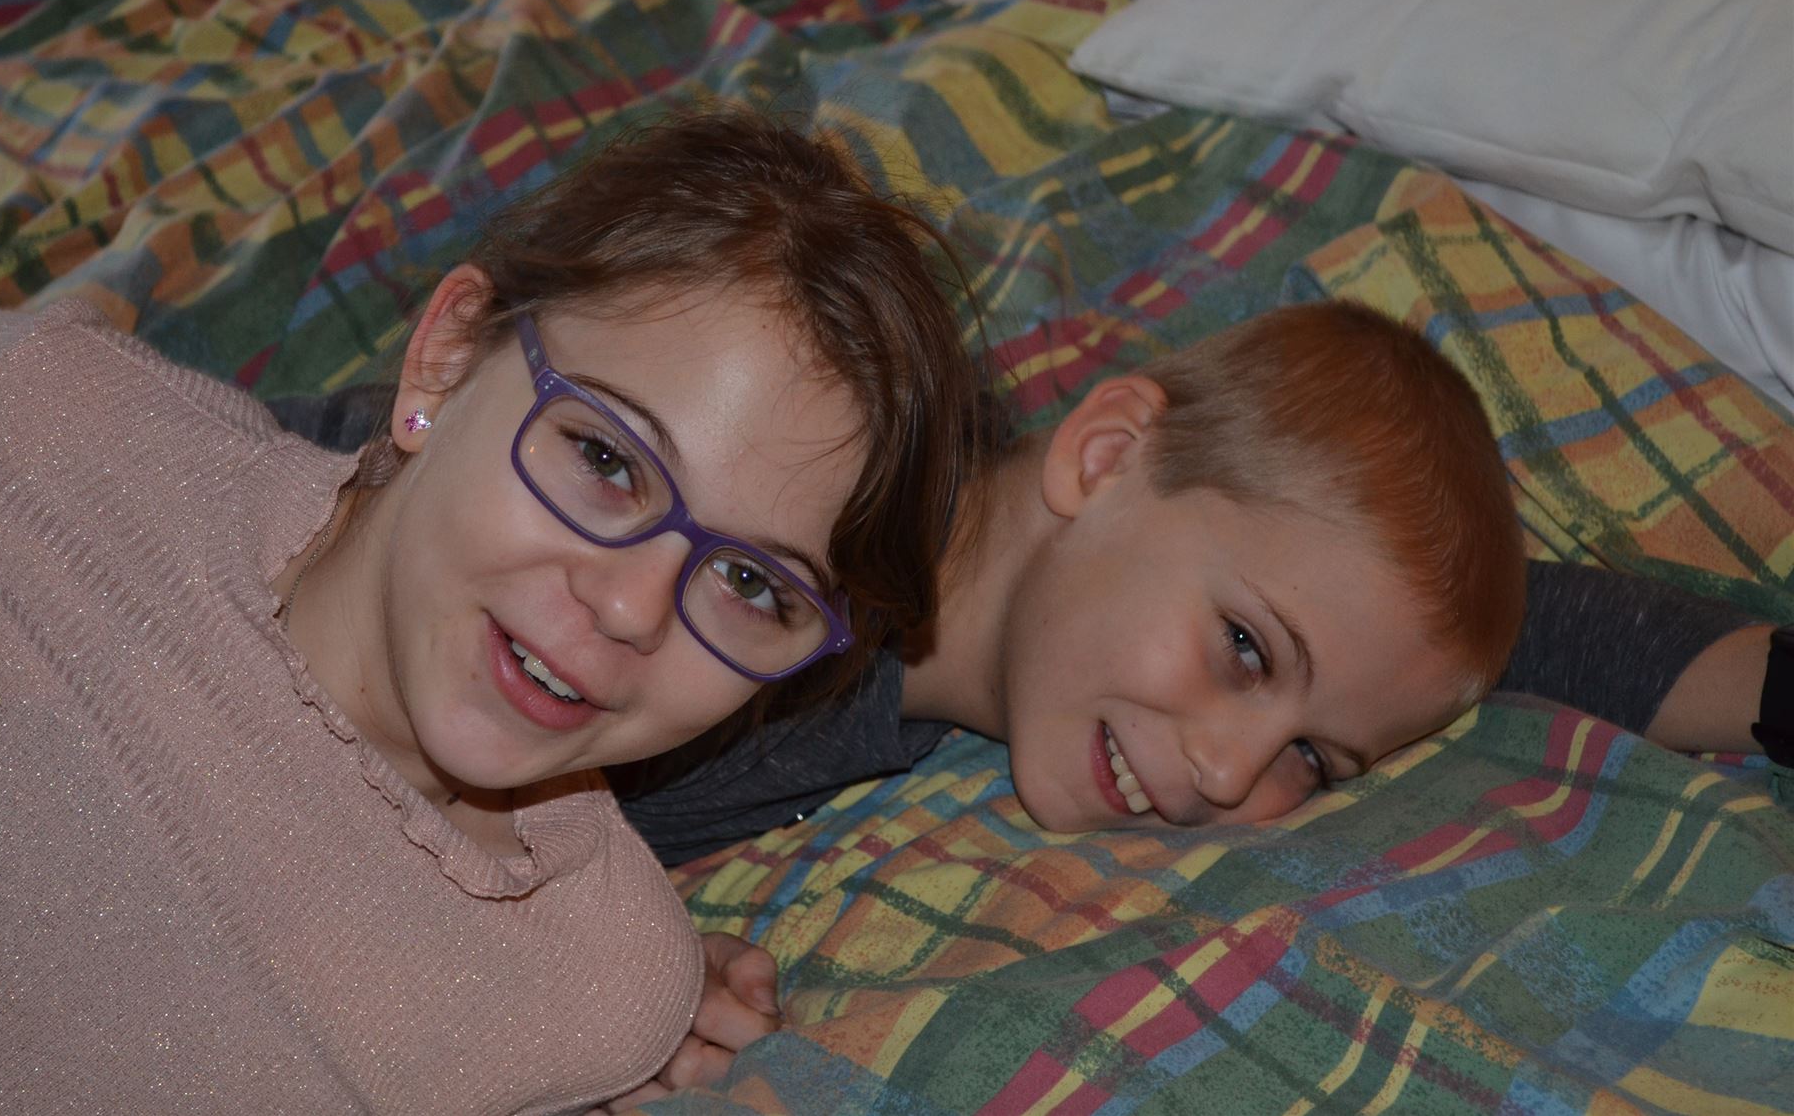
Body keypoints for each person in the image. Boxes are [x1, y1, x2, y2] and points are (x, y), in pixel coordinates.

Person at [0, 109, 984, 1112]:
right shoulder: (37, 425)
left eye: (752, 585)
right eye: (606, 458)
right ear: (446, 360)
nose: (630, 605)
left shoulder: (596, 991)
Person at [608, 301, 1784, 863]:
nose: (1228, 769)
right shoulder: (787, 553)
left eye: (1312, 757)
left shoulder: (1038, 560)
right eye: (1247, 649)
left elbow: (1516, 631)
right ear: (1105, 455)